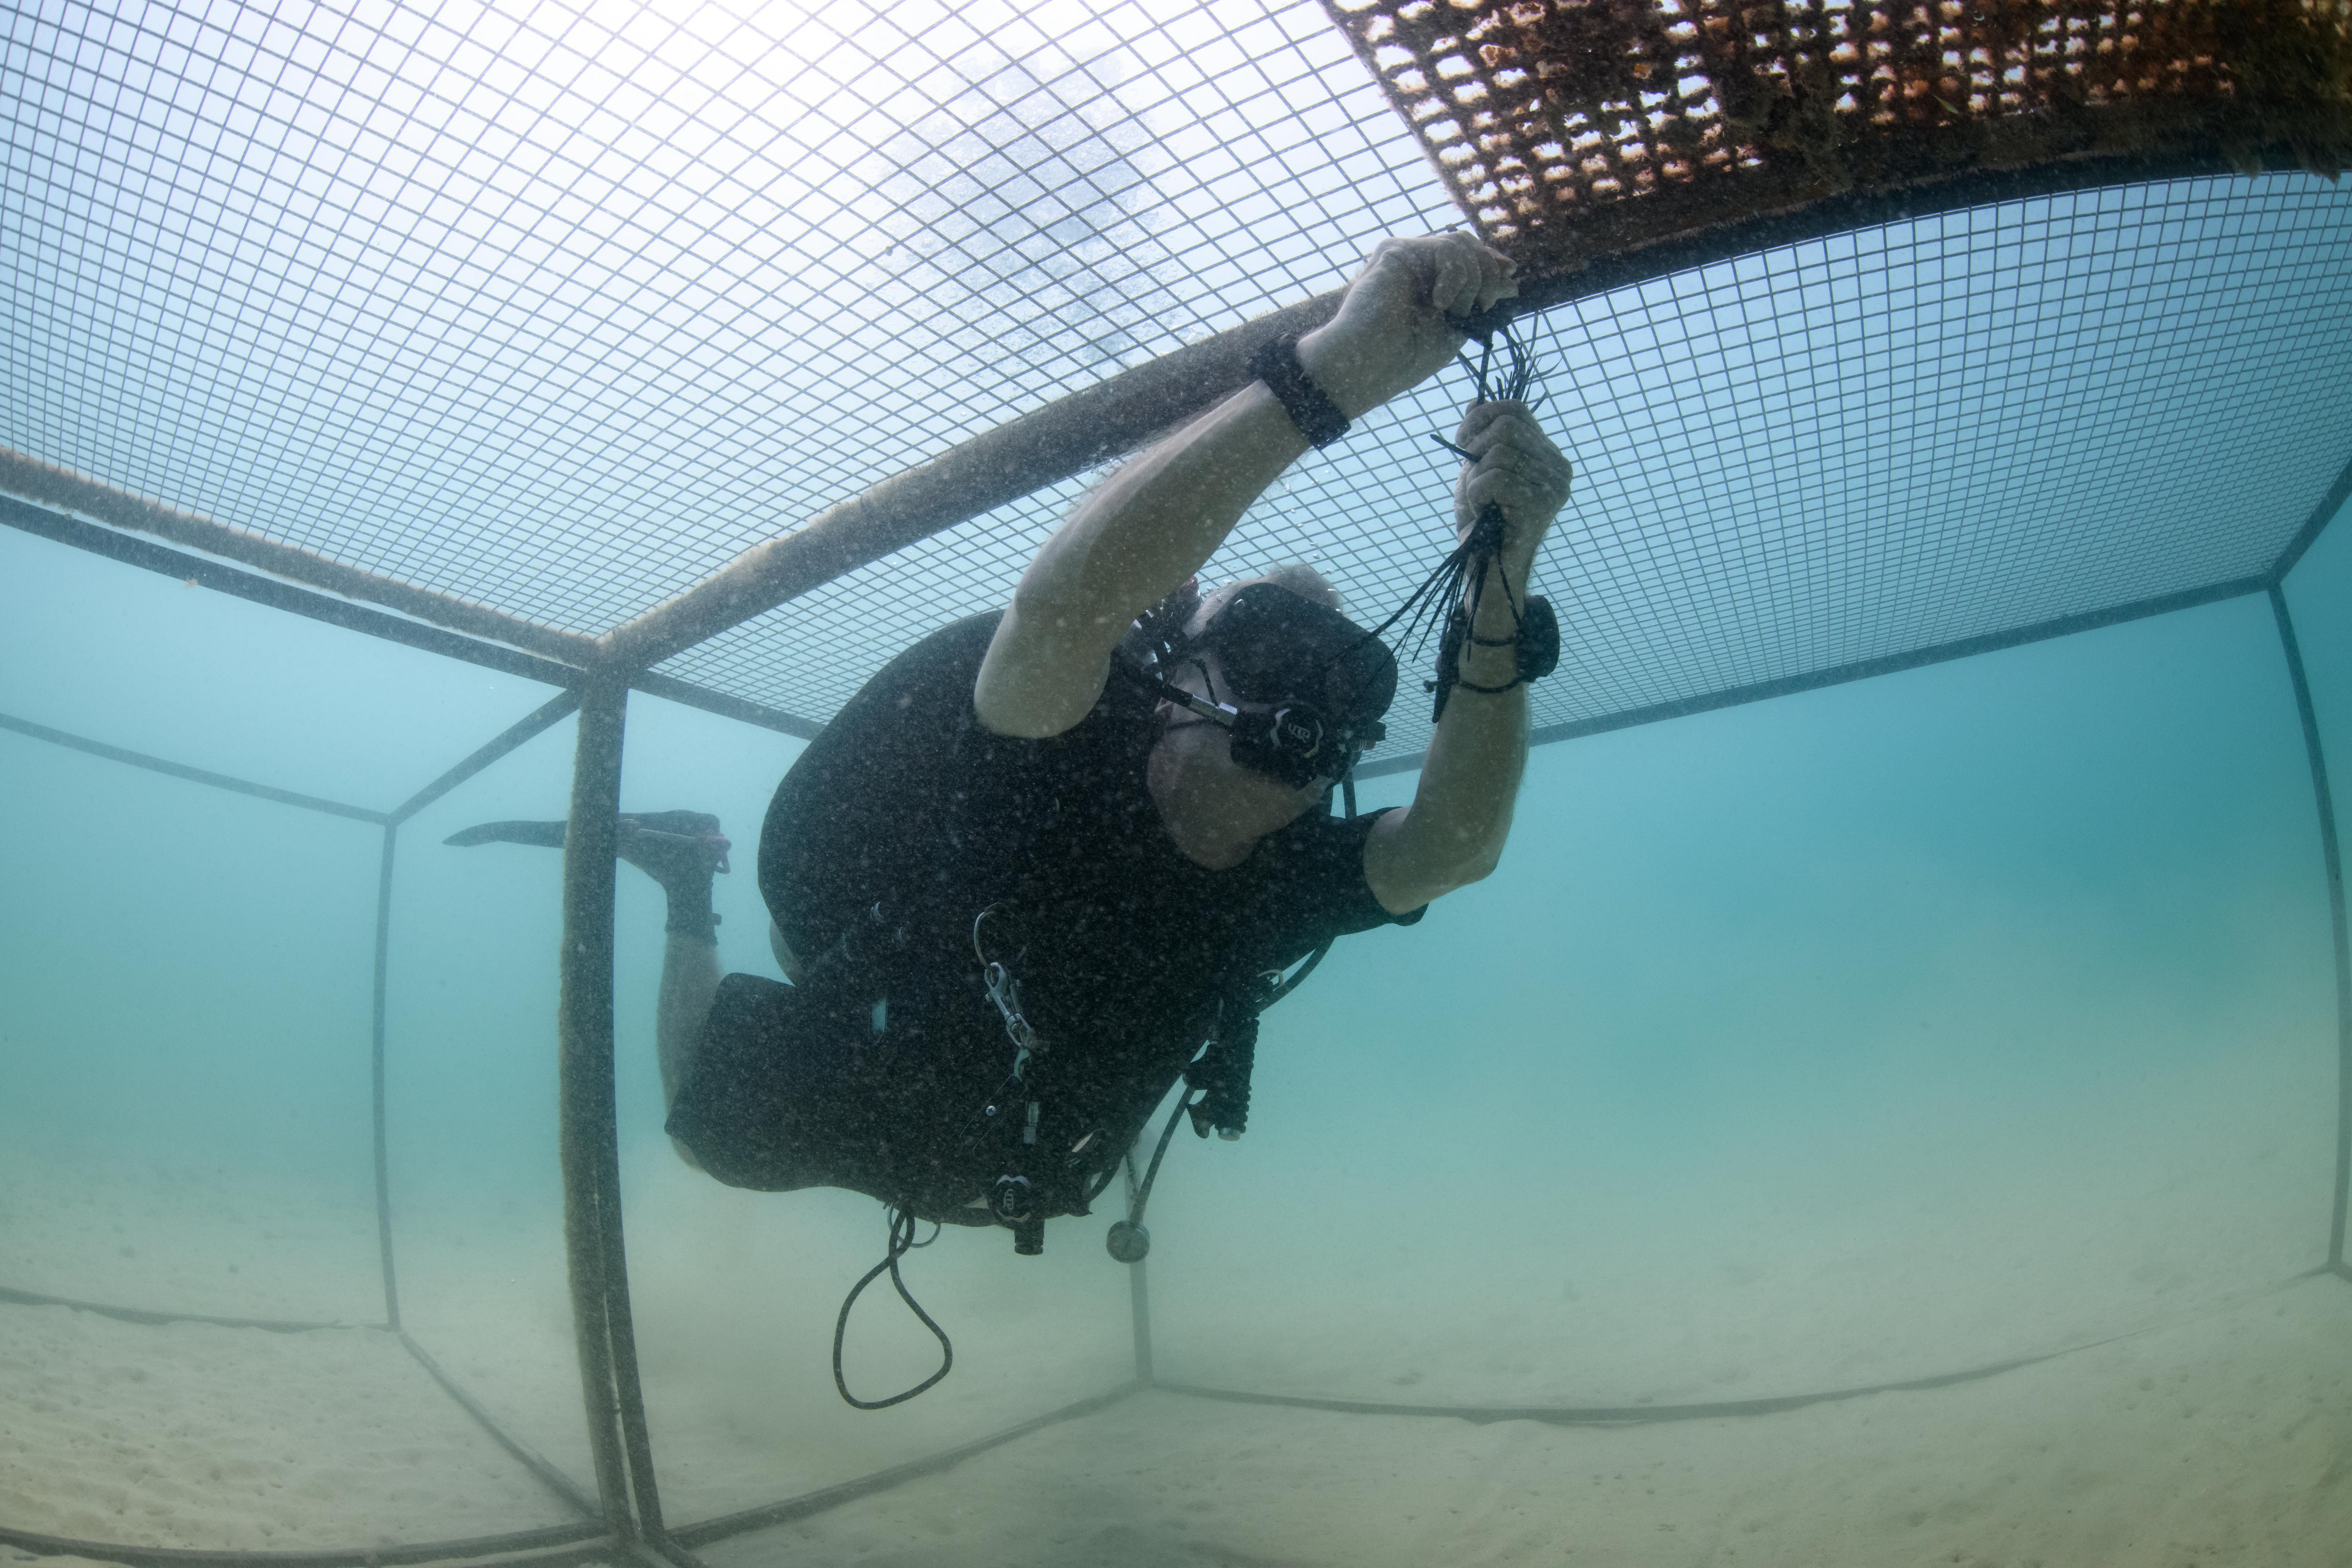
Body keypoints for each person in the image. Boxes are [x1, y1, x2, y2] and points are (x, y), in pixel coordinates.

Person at [456, 231, 1573, 1260]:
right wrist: (1337, 370)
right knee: (704, 1138)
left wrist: (1501, 569)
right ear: (1162, 674)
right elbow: (1062, 613)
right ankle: (691, 881)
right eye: (1265, 646)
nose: (1305, 701)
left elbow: (1455, 840)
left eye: (1347, 684)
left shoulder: (1278, 880)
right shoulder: (1051, 754)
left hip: (1024, 1176)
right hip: (863, 1060)